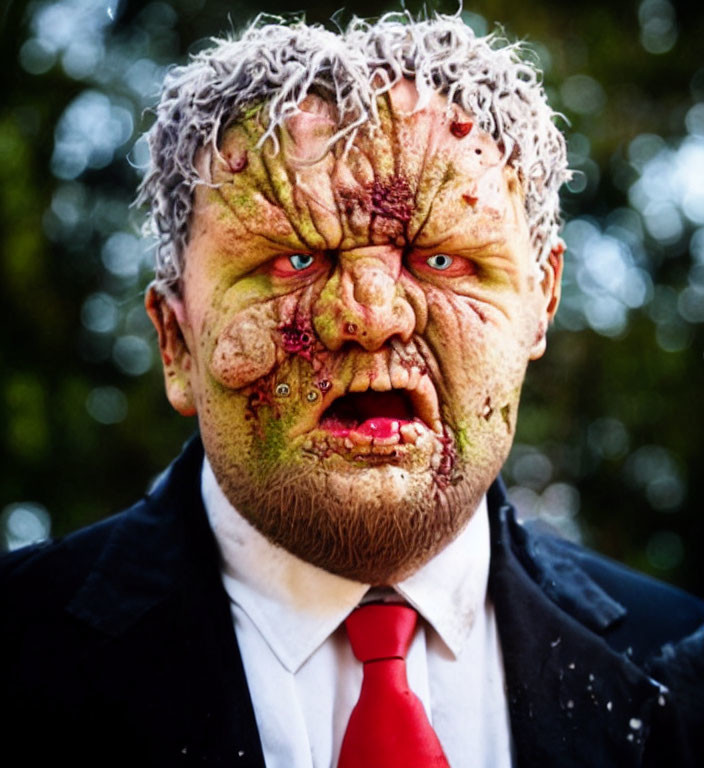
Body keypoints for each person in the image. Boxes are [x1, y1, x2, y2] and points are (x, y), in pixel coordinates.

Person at [3, 12, 703, 768]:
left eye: (439, 260)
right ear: (175, 341)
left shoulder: (684, 666)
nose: (372, 318)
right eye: (293, 262)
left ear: (542, 303)